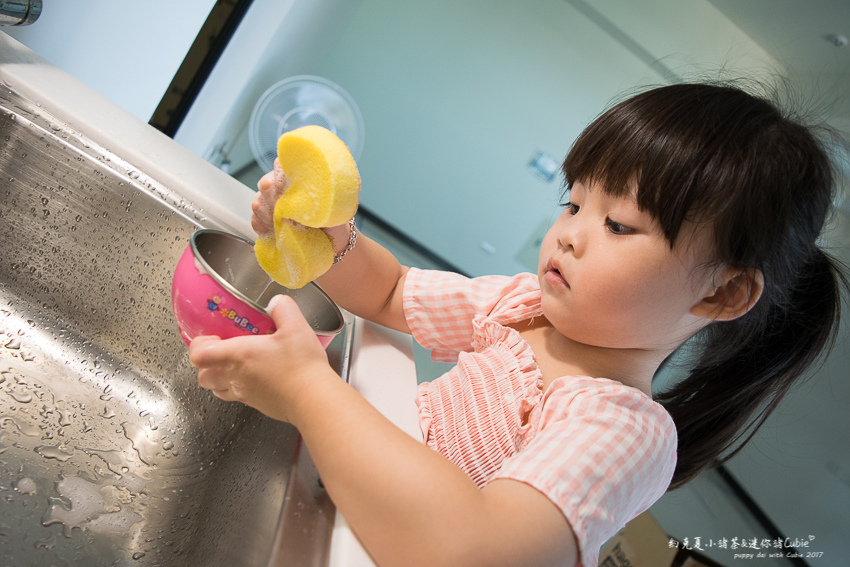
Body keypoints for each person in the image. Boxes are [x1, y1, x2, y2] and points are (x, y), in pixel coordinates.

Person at [188, 83, 847, 567]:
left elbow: (472, 550)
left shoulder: (625, 432)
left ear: (724, 292)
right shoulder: (521, 306)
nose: (568, 235)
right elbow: (390, 291)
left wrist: (307, 389)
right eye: (574, 203)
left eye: (619, 225)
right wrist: (329, 240)